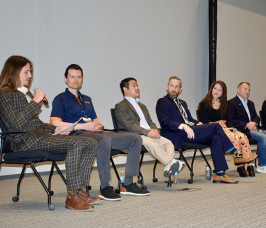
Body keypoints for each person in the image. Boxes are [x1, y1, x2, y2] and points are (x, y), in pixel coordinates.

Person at [0, 55, 102, 211]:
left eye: (30, 72)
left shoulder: (24, 94)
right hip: (23, 141)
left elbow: (36, 123)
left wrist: (56, 129)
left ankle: (80, 191)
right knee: (76, 143)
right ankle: (72, 197)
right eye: (26, 72)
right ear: (14, 72)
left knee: (90, 142)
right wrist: (35, 101)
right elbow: (16, 124)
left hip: (38, 136)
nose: (30, 76)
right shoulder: (5, 95)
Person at [50, 64, 150, 198]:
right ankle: (105, 187)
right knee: (104, 140)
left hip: (95, 133)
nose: (76, 80)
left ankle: (128, 184)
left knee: (135, 138)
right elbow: (55, 122)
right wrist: (84, 126)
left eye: (79, 77)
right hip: (76, 134)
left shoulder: (87, 99)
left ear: (82, 79)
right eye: (72, 76)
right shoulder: (60, 98)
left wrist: (98, 126)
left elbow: (95, 121)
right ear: (65, 79)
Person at [156, 76, 256, 184]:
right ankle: (236, 154)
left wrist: (198, 124)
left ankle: (220, 174)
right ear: (167, 87)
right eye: (172, 86)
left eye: (177, 87)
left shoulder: (183, 103)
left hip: (190, 132)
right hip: (177, 134)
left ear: (180, 89)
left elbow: (190, 119)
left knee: (216, 137)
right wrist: (183, 126)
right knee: (216, 126)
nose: (174, 89)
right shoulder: (162, 102)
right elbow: (165, 122)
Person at [115, 77, 184, 177]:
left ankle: (169, 166)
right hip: (134, 136)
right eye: (134, 86)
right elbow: (128, 125)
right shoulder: (120, 106)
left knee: (168, 143)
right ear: (125, 89)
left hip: (148, 134)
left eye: (137, 85)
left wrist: (154, 130)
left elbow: (150, 122)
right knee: (152, 144)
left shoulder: (142, 106)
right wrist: (147, 132)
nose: (137, 88)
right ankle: (171, 162)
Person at [198, 81, 257, 177]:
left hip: (226, 128)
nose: (216, 91)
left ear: (223, 93)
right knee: (235, 138)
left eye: (220, 90)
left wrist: (232, 129)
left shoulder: (224, 104)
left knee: (243, 136)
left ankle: (249, 165)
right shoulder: (203, 104)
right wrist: (222, 129)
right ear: (211, 89)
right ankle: (240, 166)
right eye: (215, 88)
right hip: (213, 130)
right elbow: (205, 123)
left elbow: (229, 120)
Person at [227, 82, 266, 174]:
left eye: (249, 90)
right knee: (262, 137)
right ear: (238, 90)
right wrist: (247, 125)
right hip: (242, 130)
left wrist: (254, 123)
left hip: (254, 128)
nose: (247, 91)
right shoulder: (231, 103)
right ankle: (261, 165)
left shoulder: (251, 103)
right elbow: (232, 120)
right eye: (245, 89)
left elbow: (256, 117)